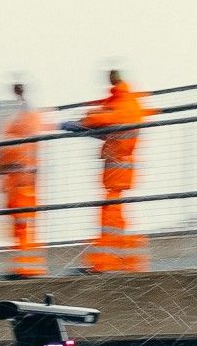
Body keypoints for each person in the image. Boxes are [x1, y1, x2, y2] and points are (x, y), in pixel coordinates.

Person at [64, 70, 154, 272]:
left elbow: (107, 118)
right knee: (113, 214)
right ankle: (117, 262)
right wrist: (86, 123)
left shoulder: (125, 103)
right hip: (117, 168)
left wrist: (83, 123)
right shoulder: (122, 100)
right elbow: (107, 122)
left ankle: (107, 263)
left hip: (119, 167)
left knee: (111, 215)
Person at [0, 83, 48, 279]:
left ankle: (27, 268)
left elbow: (11, 151)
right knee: (20, 226)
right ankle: (23, 267)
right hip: (17, 184)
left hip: (22, 183)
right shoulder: (19, 118)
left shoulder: (25, 119)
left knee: (23, 225)